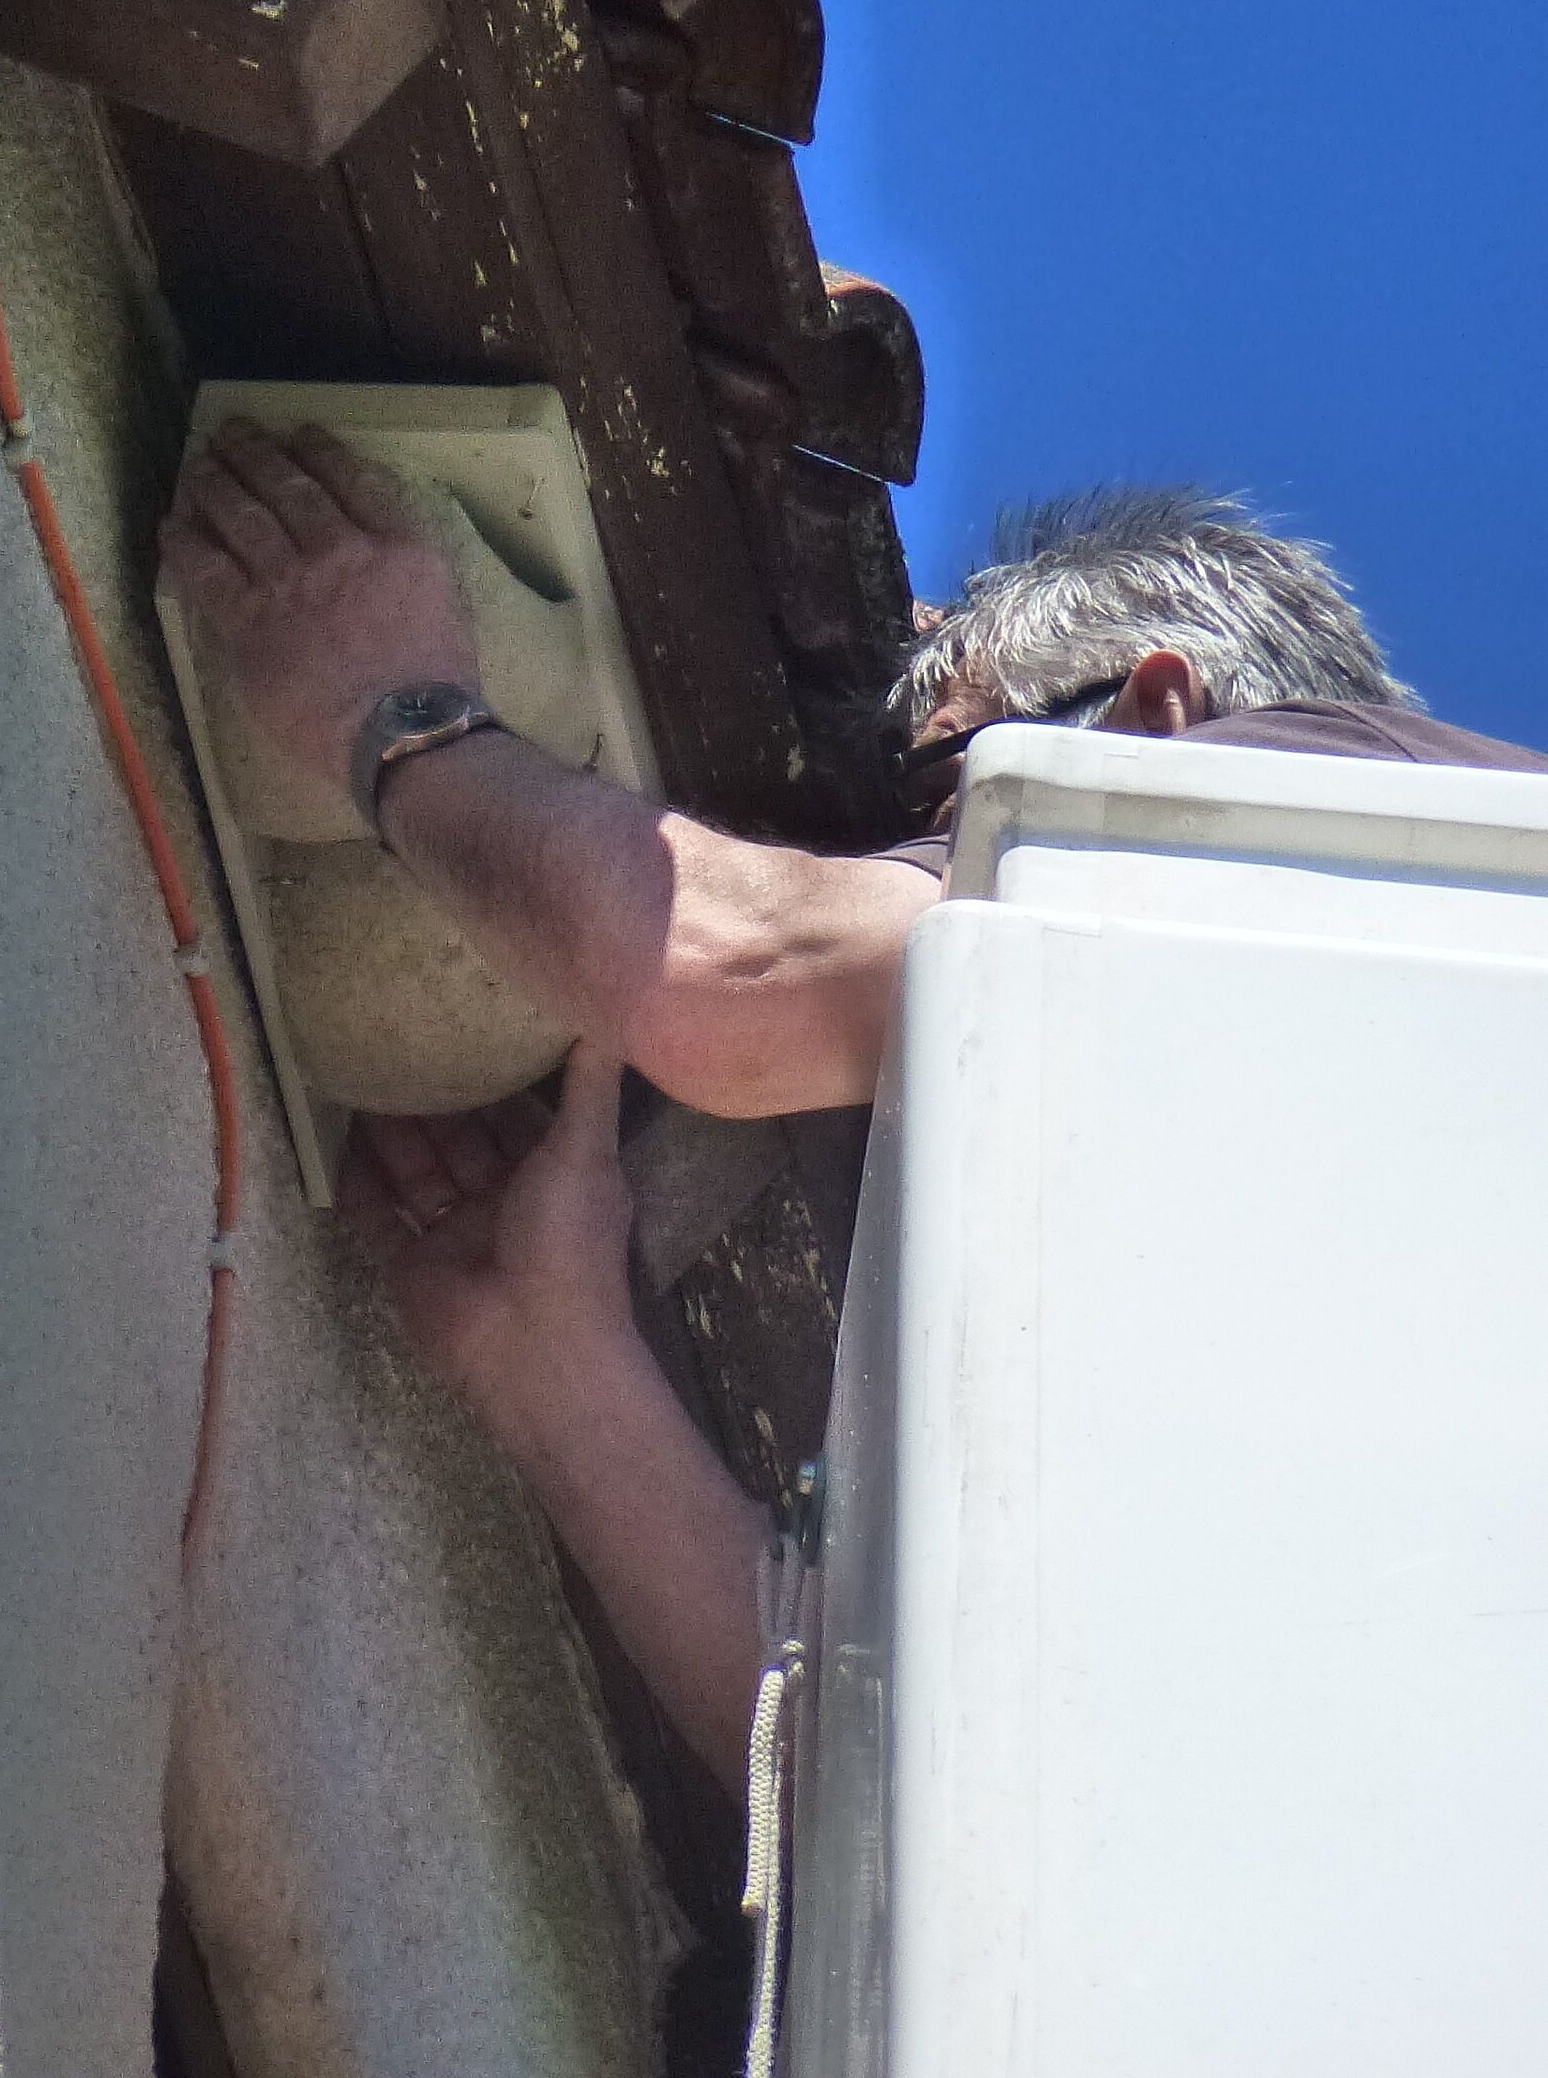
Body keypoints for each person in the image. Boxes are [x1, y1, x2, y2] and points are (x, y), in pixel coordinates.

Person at [160, 425, 1548, 1790]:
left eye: (955, 795)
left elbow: (728, 967)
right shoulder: (1307, 1416)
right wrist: (549, 1359)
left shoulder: (1335, 802)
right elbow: (863, 1803)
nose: (936, 862)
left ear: (1154, 716)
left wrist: (389, 713)